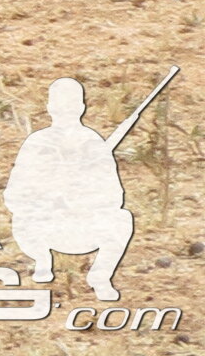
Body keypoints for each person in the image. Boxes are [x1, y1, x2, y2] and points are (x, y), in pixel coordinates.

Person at [8, 77, 134, 302]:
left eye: (71, 105)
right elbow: (14, 195)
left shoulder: (94, 143)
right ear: (49, 108)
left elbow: (115, 196)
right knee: (21, 218)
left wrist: (84, 198)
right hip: (44, 228)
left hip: (85, 227)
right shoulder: (37, 143)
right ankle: (42, 260)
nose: (66, 110)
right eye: (60, 105)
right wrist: (48, 197)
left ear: (81, 108)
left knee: (123, 219)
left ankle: (100, 276)